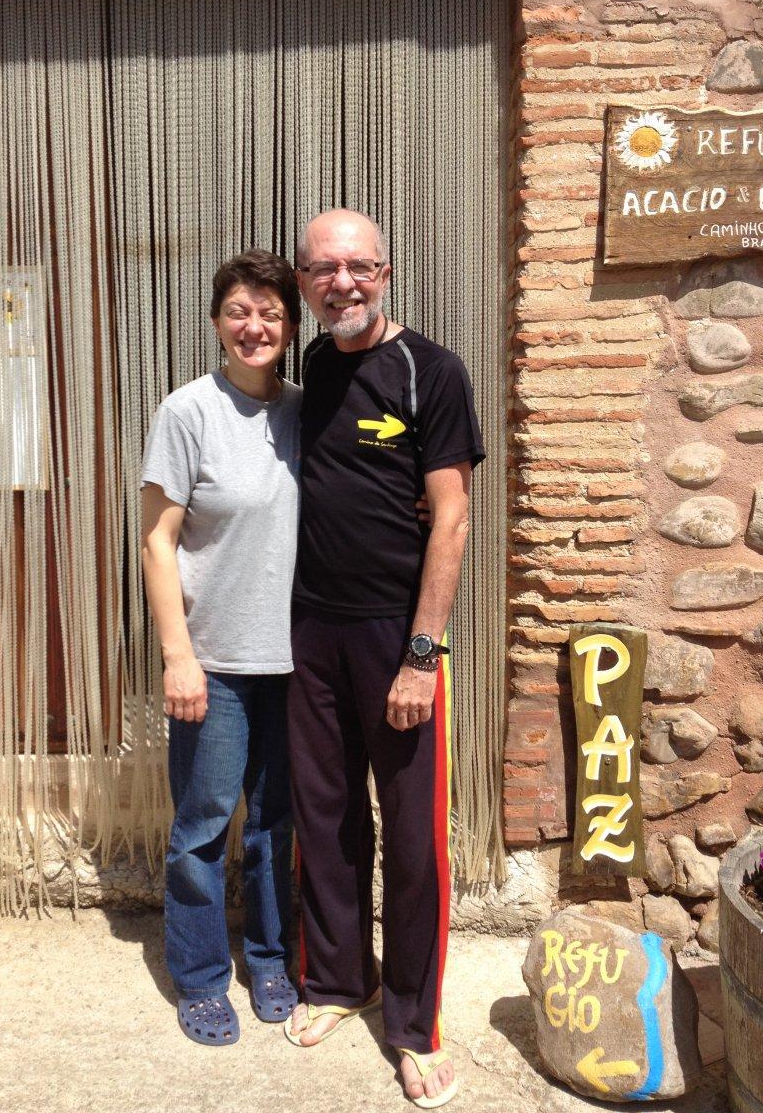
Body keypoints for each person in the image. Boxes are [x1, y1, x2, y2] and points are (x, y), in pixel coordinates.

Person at [285, 210, 484, 1109]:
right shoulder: (316, 367)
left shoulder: (431, 370)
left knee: (411, 841)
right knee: (324, 822)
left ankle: (414, 1026)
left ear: (387, 271)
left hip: (396, 637)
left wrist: (421, 654)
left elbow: (452, 518)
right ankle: (338, 978)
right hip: (310, 633)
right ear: (303, 282)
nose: (344, 283)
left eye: (359, 266)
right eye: (325, 269)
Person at [140, 249, 302, 1046]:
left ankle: (270, 959)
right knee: (204, 824)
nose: (255, 326)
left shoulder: (307, 412)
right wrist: (179, 655)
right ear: (216, 324)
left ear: (292, 327)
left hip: (298, 664)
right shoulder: (187, 412)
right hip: (217, 661)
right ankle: (201, 976)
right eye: (240, 311)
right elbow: (156, 542)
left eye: (270, 313)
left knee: (279, 822)